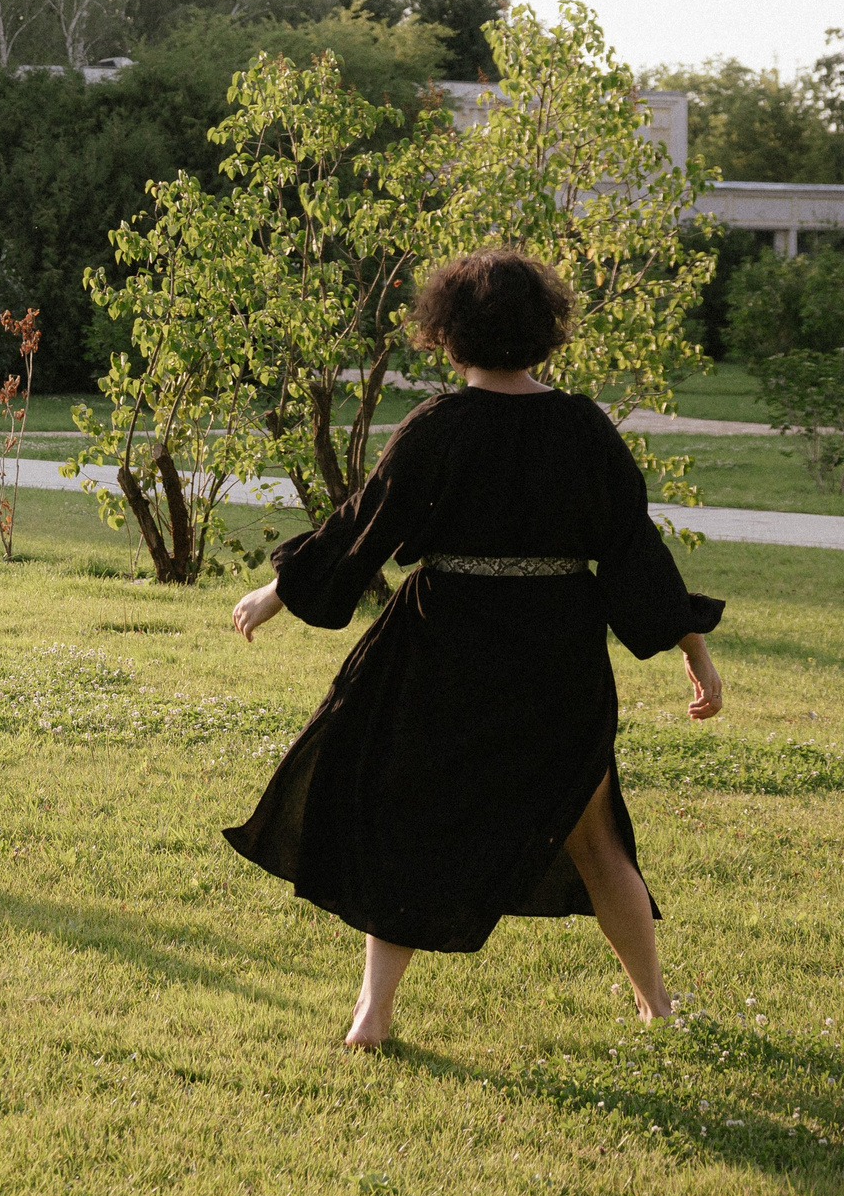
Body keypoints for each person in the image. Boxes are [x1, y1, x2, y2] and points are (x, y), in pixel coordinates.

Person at [224, 249, 726, 1049]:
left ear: (447, 333)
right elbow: (636, 553)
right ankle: (656, 1007)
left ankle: (373, 1014)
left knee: (405, 822)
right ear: (545, 330)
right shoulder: (582, 428)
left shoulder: (439, 426)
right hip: (556, 660)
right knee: (594, 835)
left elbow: (364, 526)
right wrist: (695, 653)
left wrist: (277, 592)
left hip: (442, 652)